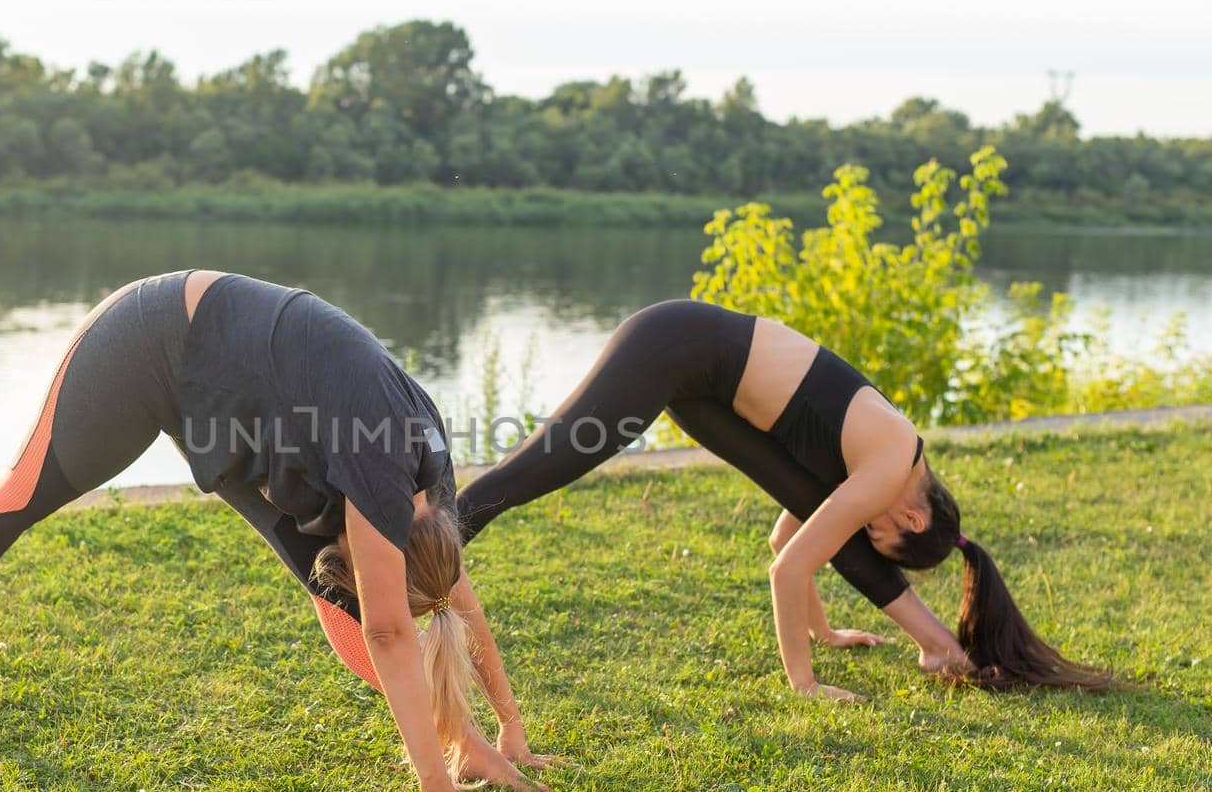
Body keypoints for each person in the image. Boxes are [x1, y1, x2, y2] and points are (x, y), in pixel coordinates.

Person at [0, 270, 557, 792]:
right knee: (21, 491)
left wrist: (507, 724)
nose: (342, 568)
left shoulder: (433, 488)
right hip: (152, 342)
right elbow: (386, 626)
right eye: (362, 565)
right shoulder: (380, 474)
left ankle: (457, 742)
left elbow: (452, 598)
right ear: (374, 537)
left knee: (338, 589)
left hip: (250, 402)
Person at [456, 300, 1112, 699]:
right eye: (882, 535)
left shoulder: (883, 463)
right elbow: (790, 567)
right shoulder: (888, 466)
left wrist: (823, 629)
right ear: (915, 517)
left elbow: (786, 540)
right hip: (673, 345)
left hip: (700, 384)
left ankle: (938, 643)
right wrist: (805, 681)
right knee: (542, 465)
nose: (866, 529)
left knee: (543, 466)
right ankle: (427, 536)